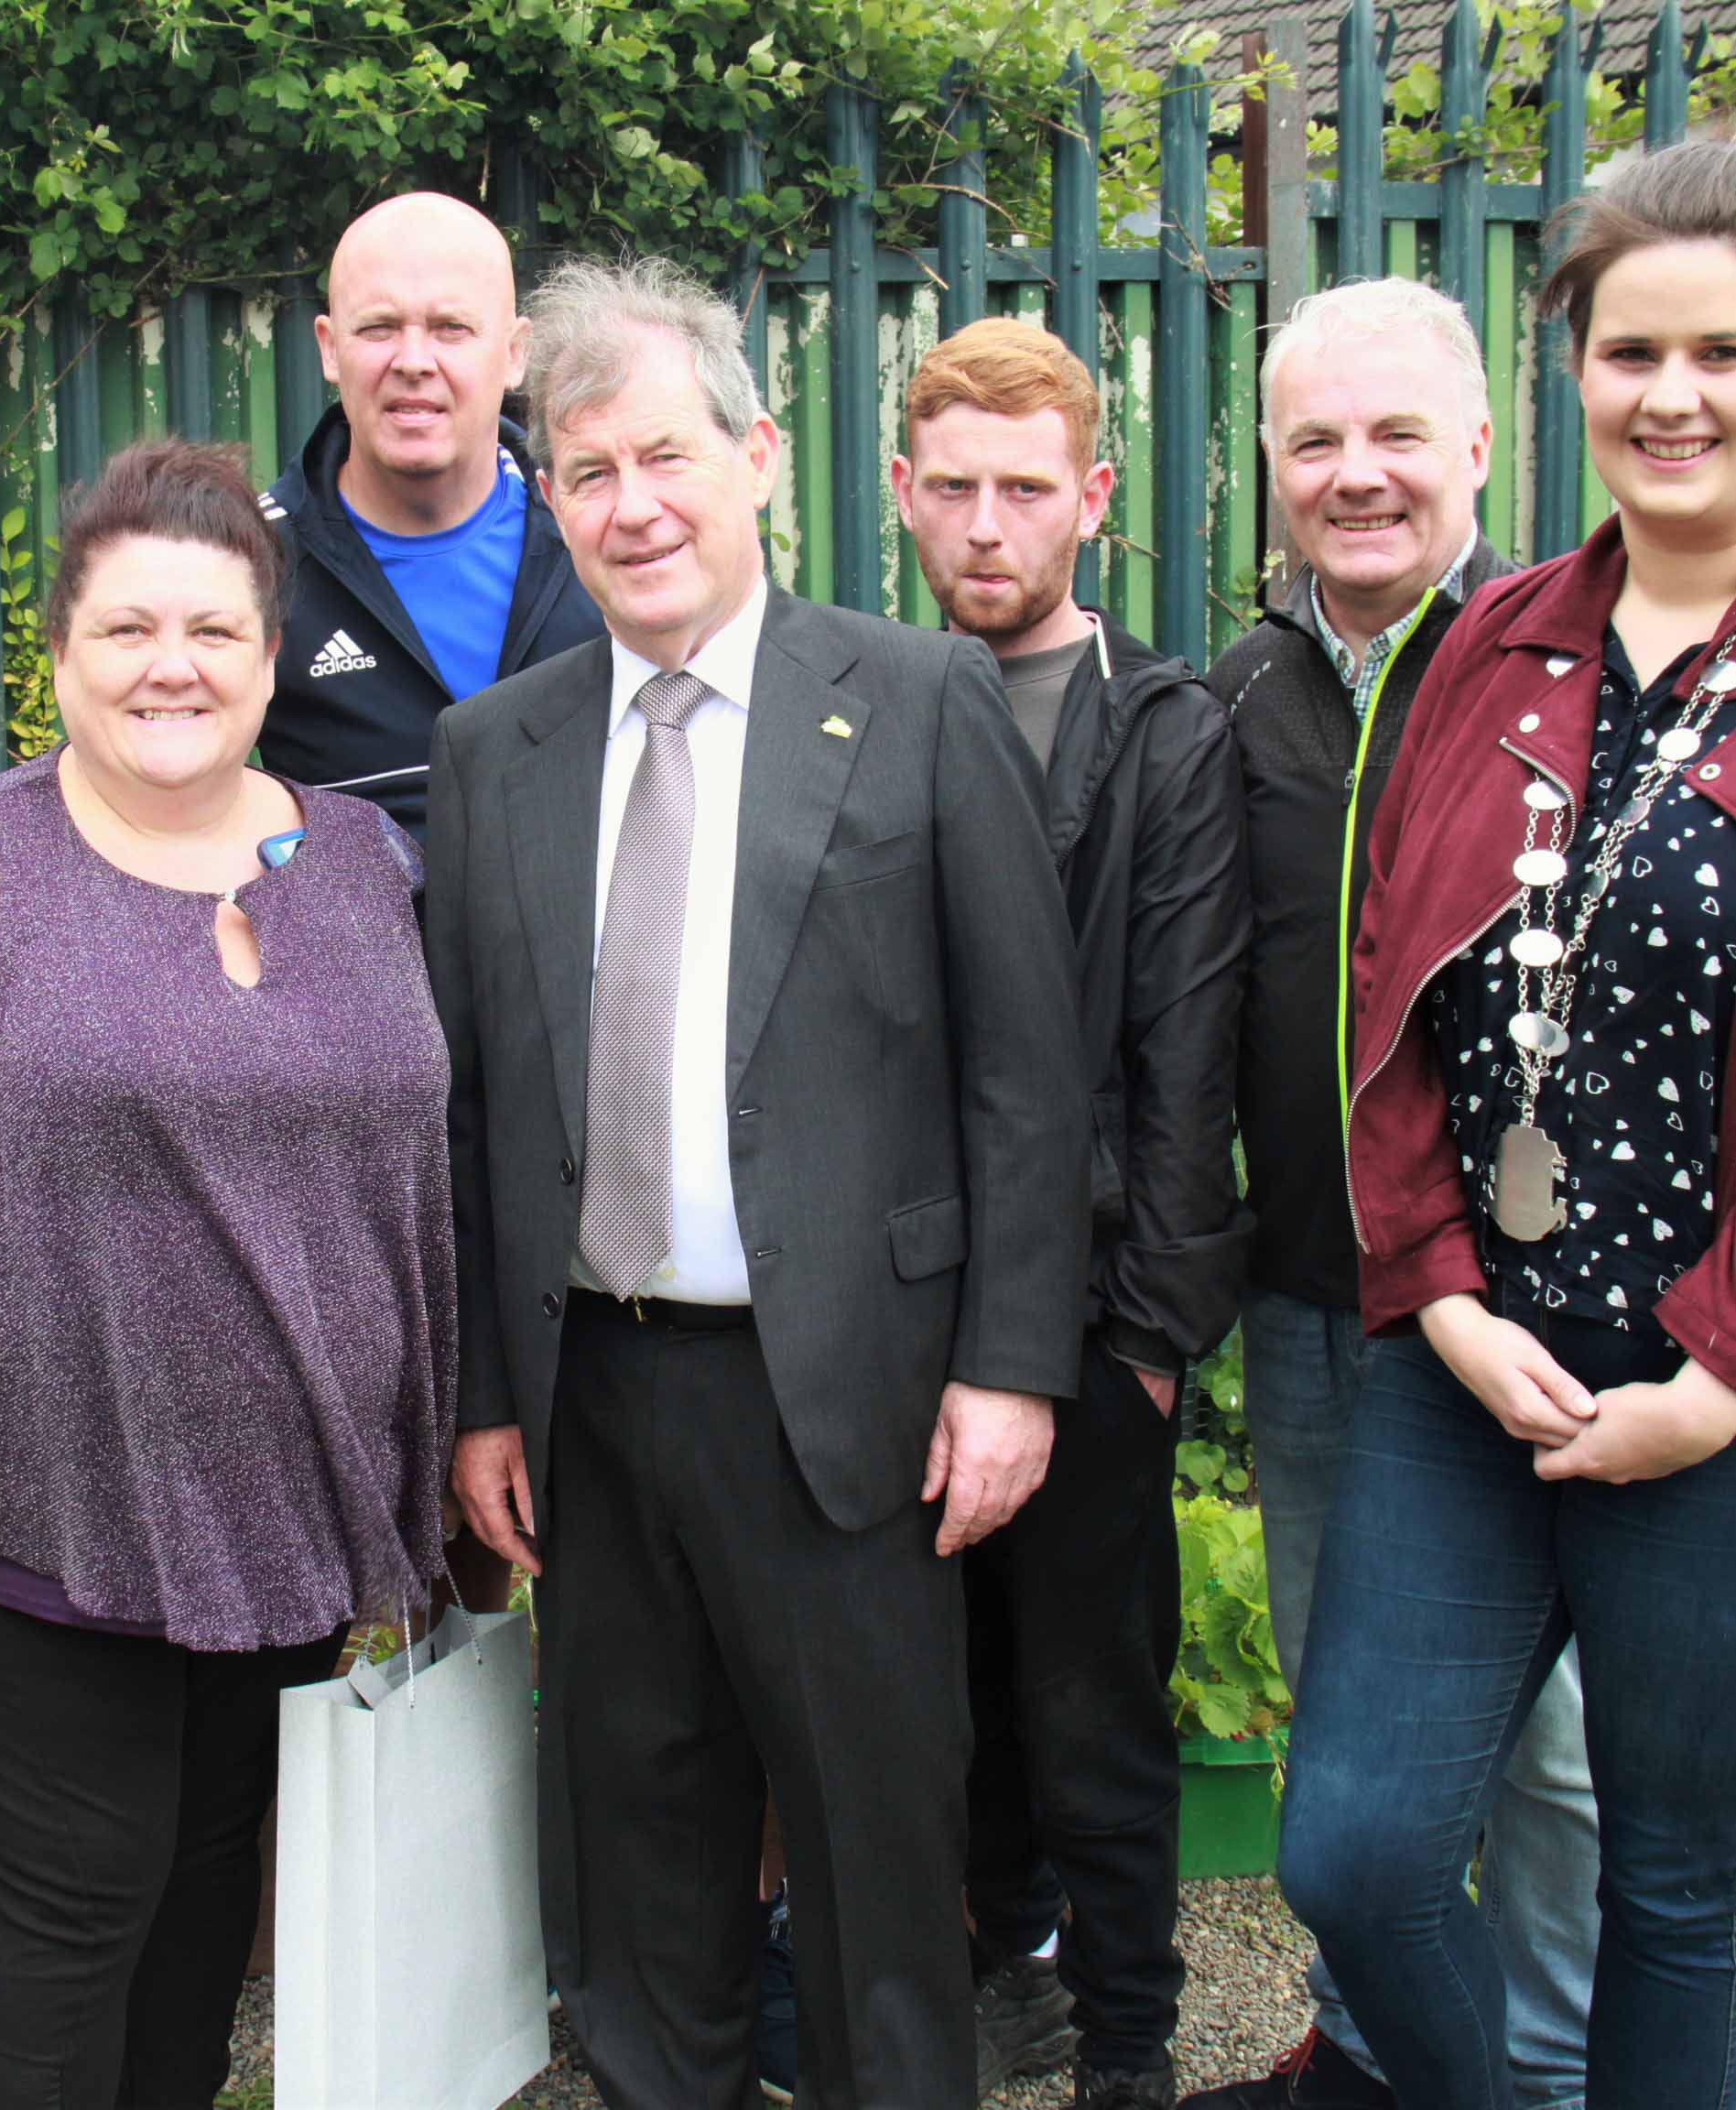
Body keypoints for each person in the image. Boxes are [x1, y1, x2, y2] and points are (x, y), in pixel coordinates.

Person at [1279, 126, 1736, 2110]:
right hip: (1484, 1364)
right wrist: (1437, 1291)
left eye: (1721, 351)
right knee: (1352, 1856)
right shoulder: (1487, 645)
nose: (1671, 396)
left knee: (1677, 1887)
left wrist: (1714, 1371)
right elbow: (1385, 1001)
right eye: (1630, 353)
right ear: (1574, 374)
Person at [428, 256, 1090, 2109]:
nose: (630, 506)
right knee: (640, 1850)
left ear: (759, 457)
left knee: (881, 1852)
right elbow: (475, 1100)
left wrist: (1013, 1366)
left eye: (664, 456)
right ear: (546, 497)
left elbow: (1027, 1074)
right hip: (598, 1401)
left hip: (851, 1399)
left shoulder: (917, 698)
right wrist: (485, 1392)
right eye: (584, 471)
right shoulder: (498, 754)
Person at [0, 437, 453, 2110]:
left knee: (212, 1877)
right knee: (81, 1884)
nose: (175, 665)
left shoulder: (368, 864)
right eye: (130, 629)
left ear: (273, 654)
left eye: (216, 631)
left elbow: (429, 1169)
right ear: (63, 655)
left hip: (291, 1501)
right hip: (40, 1506)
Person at [1185, 279, 1600, 2110]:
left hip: (1540, 1311)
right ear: (1268, 469)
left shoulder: (1572, 669)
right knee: (1352, 1730)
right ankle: (1370, 2056)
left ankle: (1559, 2061)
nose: (1356, 476)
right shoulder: (1239, 696)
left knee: (1557, 1746)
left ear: (1485, 446)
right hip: (1311, 1300)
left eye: (1397, 434)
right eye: (1316, 442)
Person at [889, 316, 1253, 2110]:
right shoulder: (865, 709)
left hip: (1104, 1314)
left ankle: (1133, 2041)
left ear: (1091, 501)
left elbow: (1190, 1059)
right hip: (909, 1312)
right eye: (951, 488)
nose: (985, 527)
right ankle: (996, 1961)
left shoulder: (1167, 737)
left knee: (1094, 1699)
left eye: (1025, 491)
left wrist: (1151, 1343)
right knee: (947, 1692)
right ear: (900, 492)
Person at [256, 190, 605, 847]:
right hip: (359, 953)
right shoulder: (252, 562)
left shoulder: (599, 534)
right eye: (379, 327)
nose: (414, 361)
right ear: (331, 349)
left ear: (514, 353)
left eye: (451, 328)